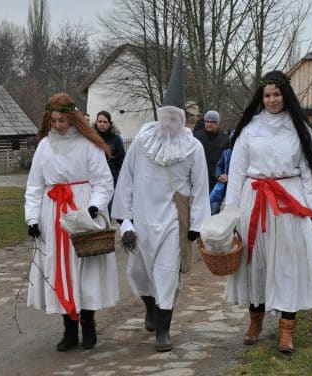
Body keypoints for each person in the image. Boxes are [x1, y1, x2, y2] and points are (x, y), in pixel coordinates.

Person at [223, 70, 312, 354]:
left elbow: (311, 173)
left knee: (287, 264)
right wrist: (230, 213)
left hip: (288, 202)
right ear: (261, 97)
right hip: (255, 199)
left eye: (277, 94)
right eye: (267, 95)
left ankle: (286, 328)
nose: (272, 100)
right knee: (254, 263)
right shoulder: (249, 129)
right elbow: (236, 172)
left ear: (286, 95)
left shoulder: (300, 129)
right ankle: (255, 321)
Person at [111, 52, 210, 352]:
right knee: (137, 273)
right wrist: (124, 220)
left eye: (173, 116)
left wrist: (197, 226)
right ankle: (151, 307)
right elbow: (126, 180)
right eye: (164, 115)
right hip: (141, 217)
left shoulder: (193, 148)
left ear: (182, 118)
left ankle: (163, 331)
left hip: (171, 220)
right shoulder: (143, 141)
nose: (167, 121)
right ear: (159, 114)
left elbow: (201, 188)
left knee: (166, 272)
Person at [24, 93, 118, 352]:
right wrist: (32, 217)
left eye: (62, 120)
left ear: (72, 118)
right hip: (53, 211)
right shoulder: (44, 146)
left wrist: (93, 206)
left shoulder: (88, 144)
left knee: (83, 268)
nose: (57, 125)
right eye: (53, 120)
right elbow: (34, 186)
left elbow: (102, 182)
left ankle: (88, 326)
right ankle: (69, 329)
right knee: (59, 269)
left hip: (81, 209)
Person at [93, 111, 126, 212]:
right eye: (100, 121)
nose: (102, 124)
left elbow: (121, 161)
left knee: (109, 207)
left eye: (105, 122)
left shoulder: (115, 140)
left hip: (111, 178)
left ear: (109, 124)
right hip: (94, 177)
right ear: (96, 122)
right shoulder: (91, 138)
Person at [194, 110, 230, 191]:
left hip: (217, 180)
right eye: (207, 121)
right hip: (199, 179)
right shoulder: (197, 137)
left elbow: (228, 160)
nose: (209, 124)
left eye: (212, 122)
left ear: (217, 123)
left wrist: (226, 174)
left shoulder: (225, 139)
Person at [209, 147, 231, 215]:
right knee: (213, 210)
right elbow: (219, 165)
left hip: (235, 189)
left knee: (230, 213)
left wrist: (230, 178)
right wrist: (219, 176)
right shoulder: (227, 152)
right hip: (221, 186)